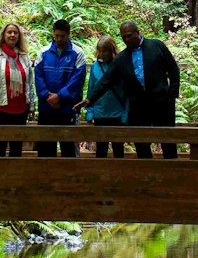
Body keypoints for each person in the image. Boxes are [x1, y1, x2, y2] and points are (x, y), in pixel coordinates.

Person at [77, 22, 180, 159]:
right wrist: (90, 99)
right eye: (123, 37)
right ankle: (145, 175)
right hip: (139, 106)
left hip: (162, 103)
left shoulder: (156, 46)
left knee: (168, 142)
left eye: (129, 36)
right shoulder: (121, 58)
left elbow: (173, 69)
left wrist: (172, 95)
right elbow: (106, 81)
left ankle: (172, 174)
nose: (126, 40)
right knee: (141, 144)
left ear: (138, 32)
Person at [33, 19, 86, 158]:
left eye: (62, 36)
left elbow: (77, 80)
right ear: (53, 33)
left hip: (67, 109)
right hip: (46, 107)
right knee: (45, 147)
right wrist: (47, 95)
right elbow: (38, 76)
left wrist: (60, 96)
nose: (59, 39)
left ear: (68, 34)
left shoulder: (78, 53)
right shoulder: (43, 53)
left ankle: (68, 178)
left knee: (68, 147)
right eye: (56, 35)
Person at [0, 22, 34, 157]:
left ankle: (15, 177)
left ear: (19, 36)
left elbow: (29, 83)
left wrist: (31, 106)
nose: (12, 35)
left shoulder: (24, 56)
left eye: (15, 33)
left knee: (16, 148)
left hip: (21, 110)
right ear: (3, 35)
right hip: (2, 109)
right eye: (9, 32)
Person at [84, 36, 128, 157]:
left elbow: (127, 93)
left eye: (105, 50)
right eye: (100, 50)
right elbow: (91, 90)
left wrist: (125, 115)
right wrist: (90, 112)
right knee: (101, 150)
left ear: (112, 50)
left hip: (117, 114)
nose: (102, 54)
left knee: (118, 149)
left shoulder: (120, 66)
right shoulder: (95, 66)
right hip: (100, 114)